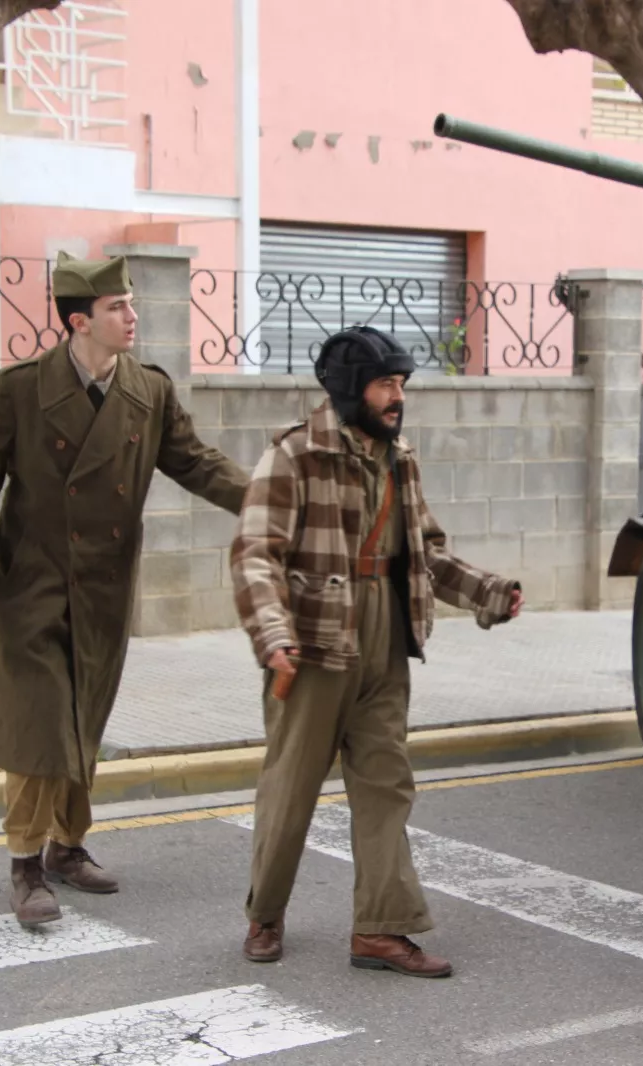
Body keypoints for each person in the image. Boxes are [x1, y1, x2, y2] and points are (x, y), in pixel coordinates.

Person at [0, 252, 251, 927]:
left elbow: (196, 462)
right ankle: (25, 864)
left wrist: (268, 500)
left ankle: (66, 847)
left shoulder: (149, 391)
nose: (133, 317)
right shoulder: (17, 390)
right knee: (36, 721)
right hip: (33, 581)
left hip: (105, 585)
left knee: (83, 718)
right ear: (80, 321)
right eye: (118, 308)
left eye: (132, 304)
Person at [229, 325, 523, 978]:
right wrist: (272, 634)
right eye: (386, 384)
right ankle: (266, 914)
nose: (398, 398)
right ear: (347, 389)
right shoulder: (295, 456)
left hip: (386, 638)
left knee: (387, 784)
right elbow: (256, 555)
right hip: (311, 645)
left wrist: (490, 594)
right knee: (291, 789)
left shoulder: (400, 460)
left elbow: (428, 552)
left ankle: (381, 930)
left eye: (402, 385)